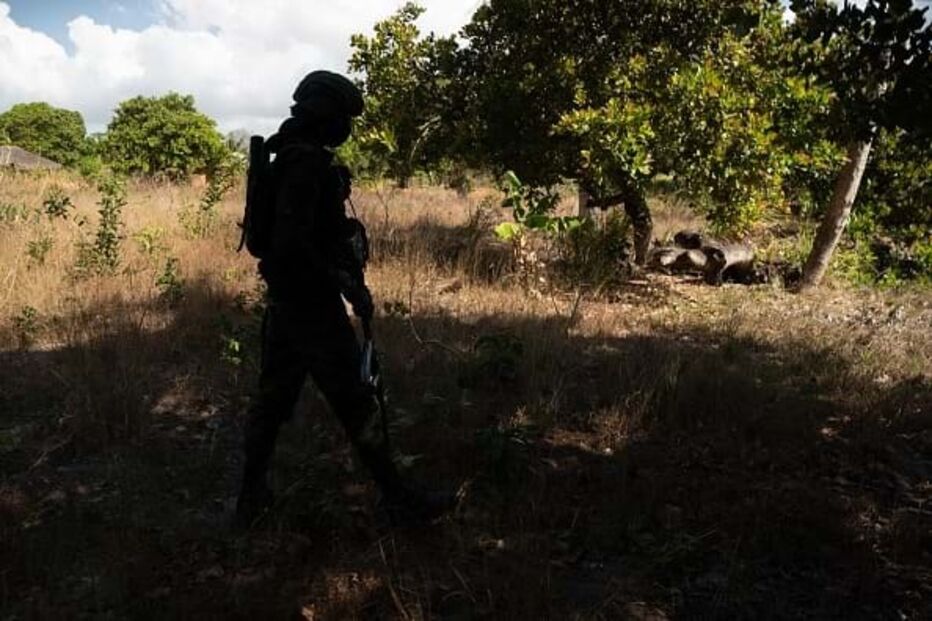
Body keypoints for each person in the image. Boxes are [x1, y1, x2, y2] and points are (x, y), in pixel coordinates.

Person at [236, 70, 454, 528]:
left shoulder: (294, 156)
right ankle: (400, 499)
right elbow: (292, 242)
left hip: (288, 301)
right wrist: (346, 285)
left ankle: (248, 502)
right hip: (310, 306)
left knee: (273, 402)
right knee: (355, 403)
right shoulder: (305, 164)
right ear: (324, 114)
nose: (347, 127)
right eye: (342, 116)